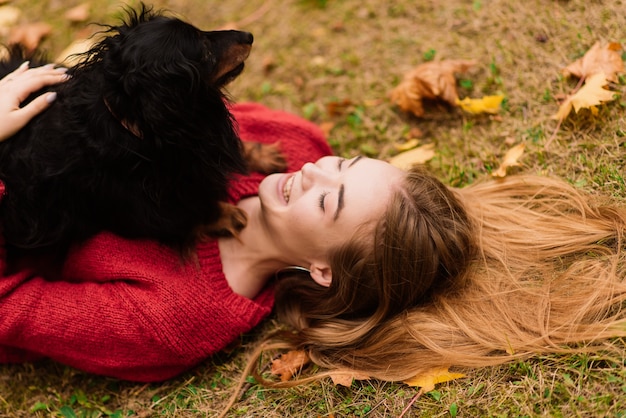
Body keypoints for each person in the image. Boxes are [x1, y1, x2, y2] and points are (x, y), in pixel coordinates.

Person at [2, 65, 626, 394]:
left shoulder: (167, 321)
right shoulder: (292, 144)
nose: (312, 173)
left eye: (329, 204)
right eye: (345, 165)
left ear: (321, 270)